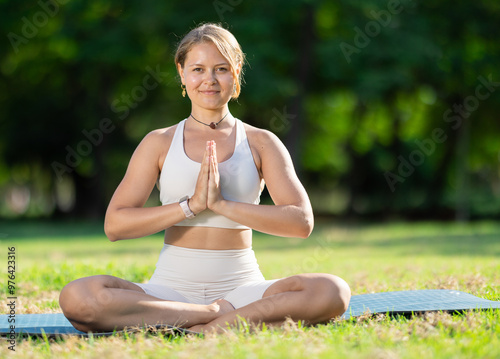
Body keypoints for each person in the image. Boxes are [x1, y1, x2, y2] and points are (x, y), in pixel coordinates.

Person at [59, 23, 350, 334]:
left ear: (236, 73)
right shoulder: (158, 142)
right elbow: (115, 225)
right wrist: (191, 206)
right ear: (182, 73)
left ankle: (205, 325)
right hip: (169, 291)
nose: (209, 80)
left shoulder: (261, 142)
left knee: (333, 291)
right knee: (78, 298)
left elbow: (301, 222)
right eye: (198, 69)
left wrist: (222, 205)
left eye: (221, 69)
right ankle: (212, 317)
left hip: (241, 291)